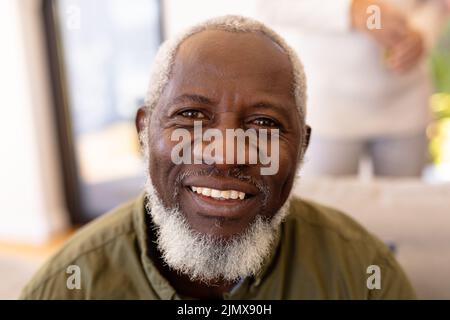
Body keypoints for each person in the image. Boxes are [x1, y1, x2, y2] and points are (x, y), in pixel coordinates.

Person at [20, 16, 415, 300]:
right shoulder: (65, 287)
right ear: (144, 131)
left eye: (264, 123)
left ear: (302, 148)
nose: (226, 156)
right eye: (191, 116)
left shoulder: (362, 272)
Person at [258, 0, 447, 177]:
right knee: (328, 205)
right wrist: (349, 9)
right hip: (327, 109)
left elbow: (434, 4)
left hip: (406, 104)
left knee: (405, 204)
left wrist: (423, 33)